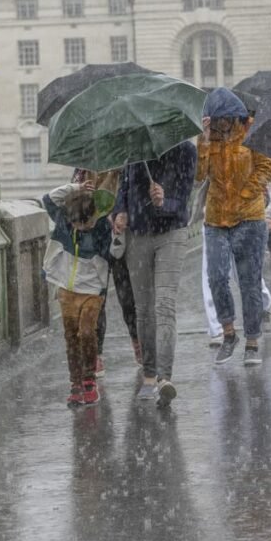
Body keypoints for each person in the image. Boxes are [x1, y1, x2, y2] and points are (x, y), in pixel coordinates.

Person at [113, 140, 197, 407]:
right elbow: (123, 188)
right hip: (139, 234)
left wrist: (165, 200)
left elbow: (184, 198)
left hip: (172, 232)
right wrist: (119, 212)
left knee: (164, 305)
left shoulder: (185, 150)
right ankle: (149, 375)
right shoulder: (134, 149)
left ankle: (164, 377)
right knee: (144, 308)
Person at [196, 88, 271, 365]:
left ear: (233, 116)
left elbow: (266, 168)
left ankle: (252, 339)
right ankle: (229, 332)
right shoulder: (208, 139)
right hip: (216, 218)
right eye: (213, 121)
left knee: (249, 281)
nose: (219, 125)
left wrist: (246, 194)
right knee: (217, 276)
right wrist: (204, 142)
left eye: (223, 120)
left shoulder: (252, 133)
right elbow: (198, 175)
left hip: (250, 218)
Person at [41, 180, 113, 408]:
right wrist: (74, 187)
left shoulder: (102, 227)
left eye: (85, 223)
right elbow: (48, 199)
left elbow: (115, 254)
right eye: (77, 223)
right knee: (71, 337)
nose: (81, 227)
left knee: (86, 332)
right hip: (67, 289)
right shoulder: (64, 221)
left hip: (92, 290)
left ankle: (89, 380)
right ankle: (75, 384)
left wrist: (118, 234)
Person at [72, 168, 140, 375]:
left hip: (121, 232)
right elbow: (75, 202)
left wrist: (118, 211)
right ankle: (96, 353)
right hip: (93, 235)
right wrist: (83, 193)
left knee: (127, 295)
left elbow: (133, 190)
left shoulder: (127, 163)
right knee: (96, 297)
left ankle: (137, 341)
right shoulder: (84, 165)